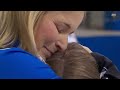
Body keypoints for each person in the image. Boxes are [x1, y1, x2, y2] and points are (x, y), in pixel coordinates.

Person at [0, 11, 84, 79]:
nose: (64, 45)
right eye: (60, 28)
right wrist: (88, 63)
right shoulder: (17, 62)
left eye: (69, 35)